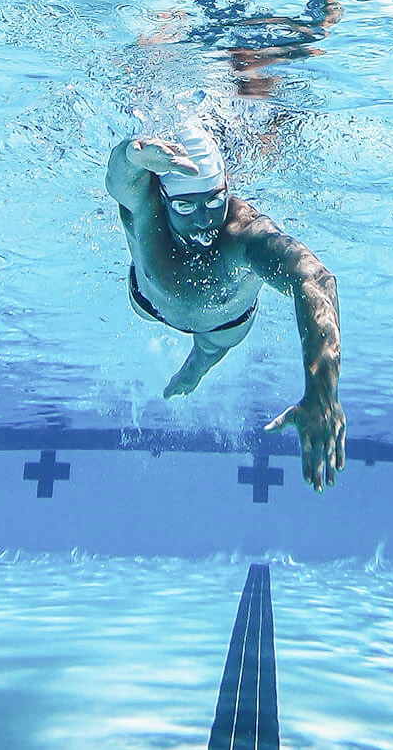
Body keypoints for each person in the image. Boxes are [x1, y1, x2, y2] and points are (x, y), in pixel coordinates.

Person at [105, 124, 345, 490]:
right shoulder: (146, 203)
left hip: (222, 327)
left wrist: (322, 391)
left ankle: (195, 369)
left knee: (209, 350)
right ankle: (193, 369)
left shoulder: (246, 235)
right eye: (186, 206)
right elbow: (119, 179)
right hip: (148, 302)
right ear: (165, 197)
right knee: (203, 350)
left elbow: (316, 281)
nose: (203, 220)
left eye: (215, 201)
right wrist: (132, 155)